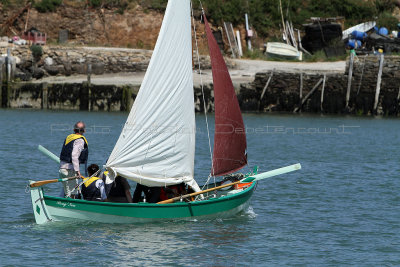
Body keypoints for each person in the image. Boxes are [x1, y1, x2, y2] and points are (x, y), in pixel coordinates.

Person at [59, 121, 89, 198]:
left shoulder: (69, 137)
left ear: (74, 130)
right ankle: (70, 207)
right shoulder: (80, 140)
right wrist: (77, 171)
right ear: (84, 131)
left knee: (67, 192)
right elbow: (74, 156)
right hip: (70, 171)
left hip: (62, 169)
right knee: (72, 194)